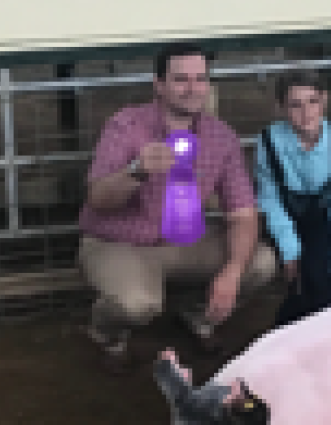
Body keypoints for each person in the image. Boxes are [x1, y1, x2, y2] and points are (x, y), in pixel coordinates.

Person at [79, 43, 277, 374]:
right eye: (181, 79)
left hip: (184, 239)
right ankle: (107, 332)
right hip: (121, 242)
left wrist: (231, 272)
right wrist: (136, 171)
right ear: (159, 84)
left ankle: (197, 314)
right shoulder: (126, 126)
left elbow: (242, 213)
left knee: (259, 262)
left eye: (200, 79)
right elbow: (96, 198)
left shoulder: (221, 136)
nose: (192, 88)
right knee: (138, 305)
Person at [255, 69, 331, 328]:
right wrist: (289, 251)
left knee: (318, 272)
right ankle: (323, 331)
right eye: (295, 105)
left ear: (324, 100)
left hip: (328, 223)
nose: (306, 113)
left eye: (313, 101)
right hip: (285, 222)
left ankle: (286, 332)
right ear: (281, 107)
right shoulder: (269, 143)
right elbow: (271, 202)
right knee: (307, 276)